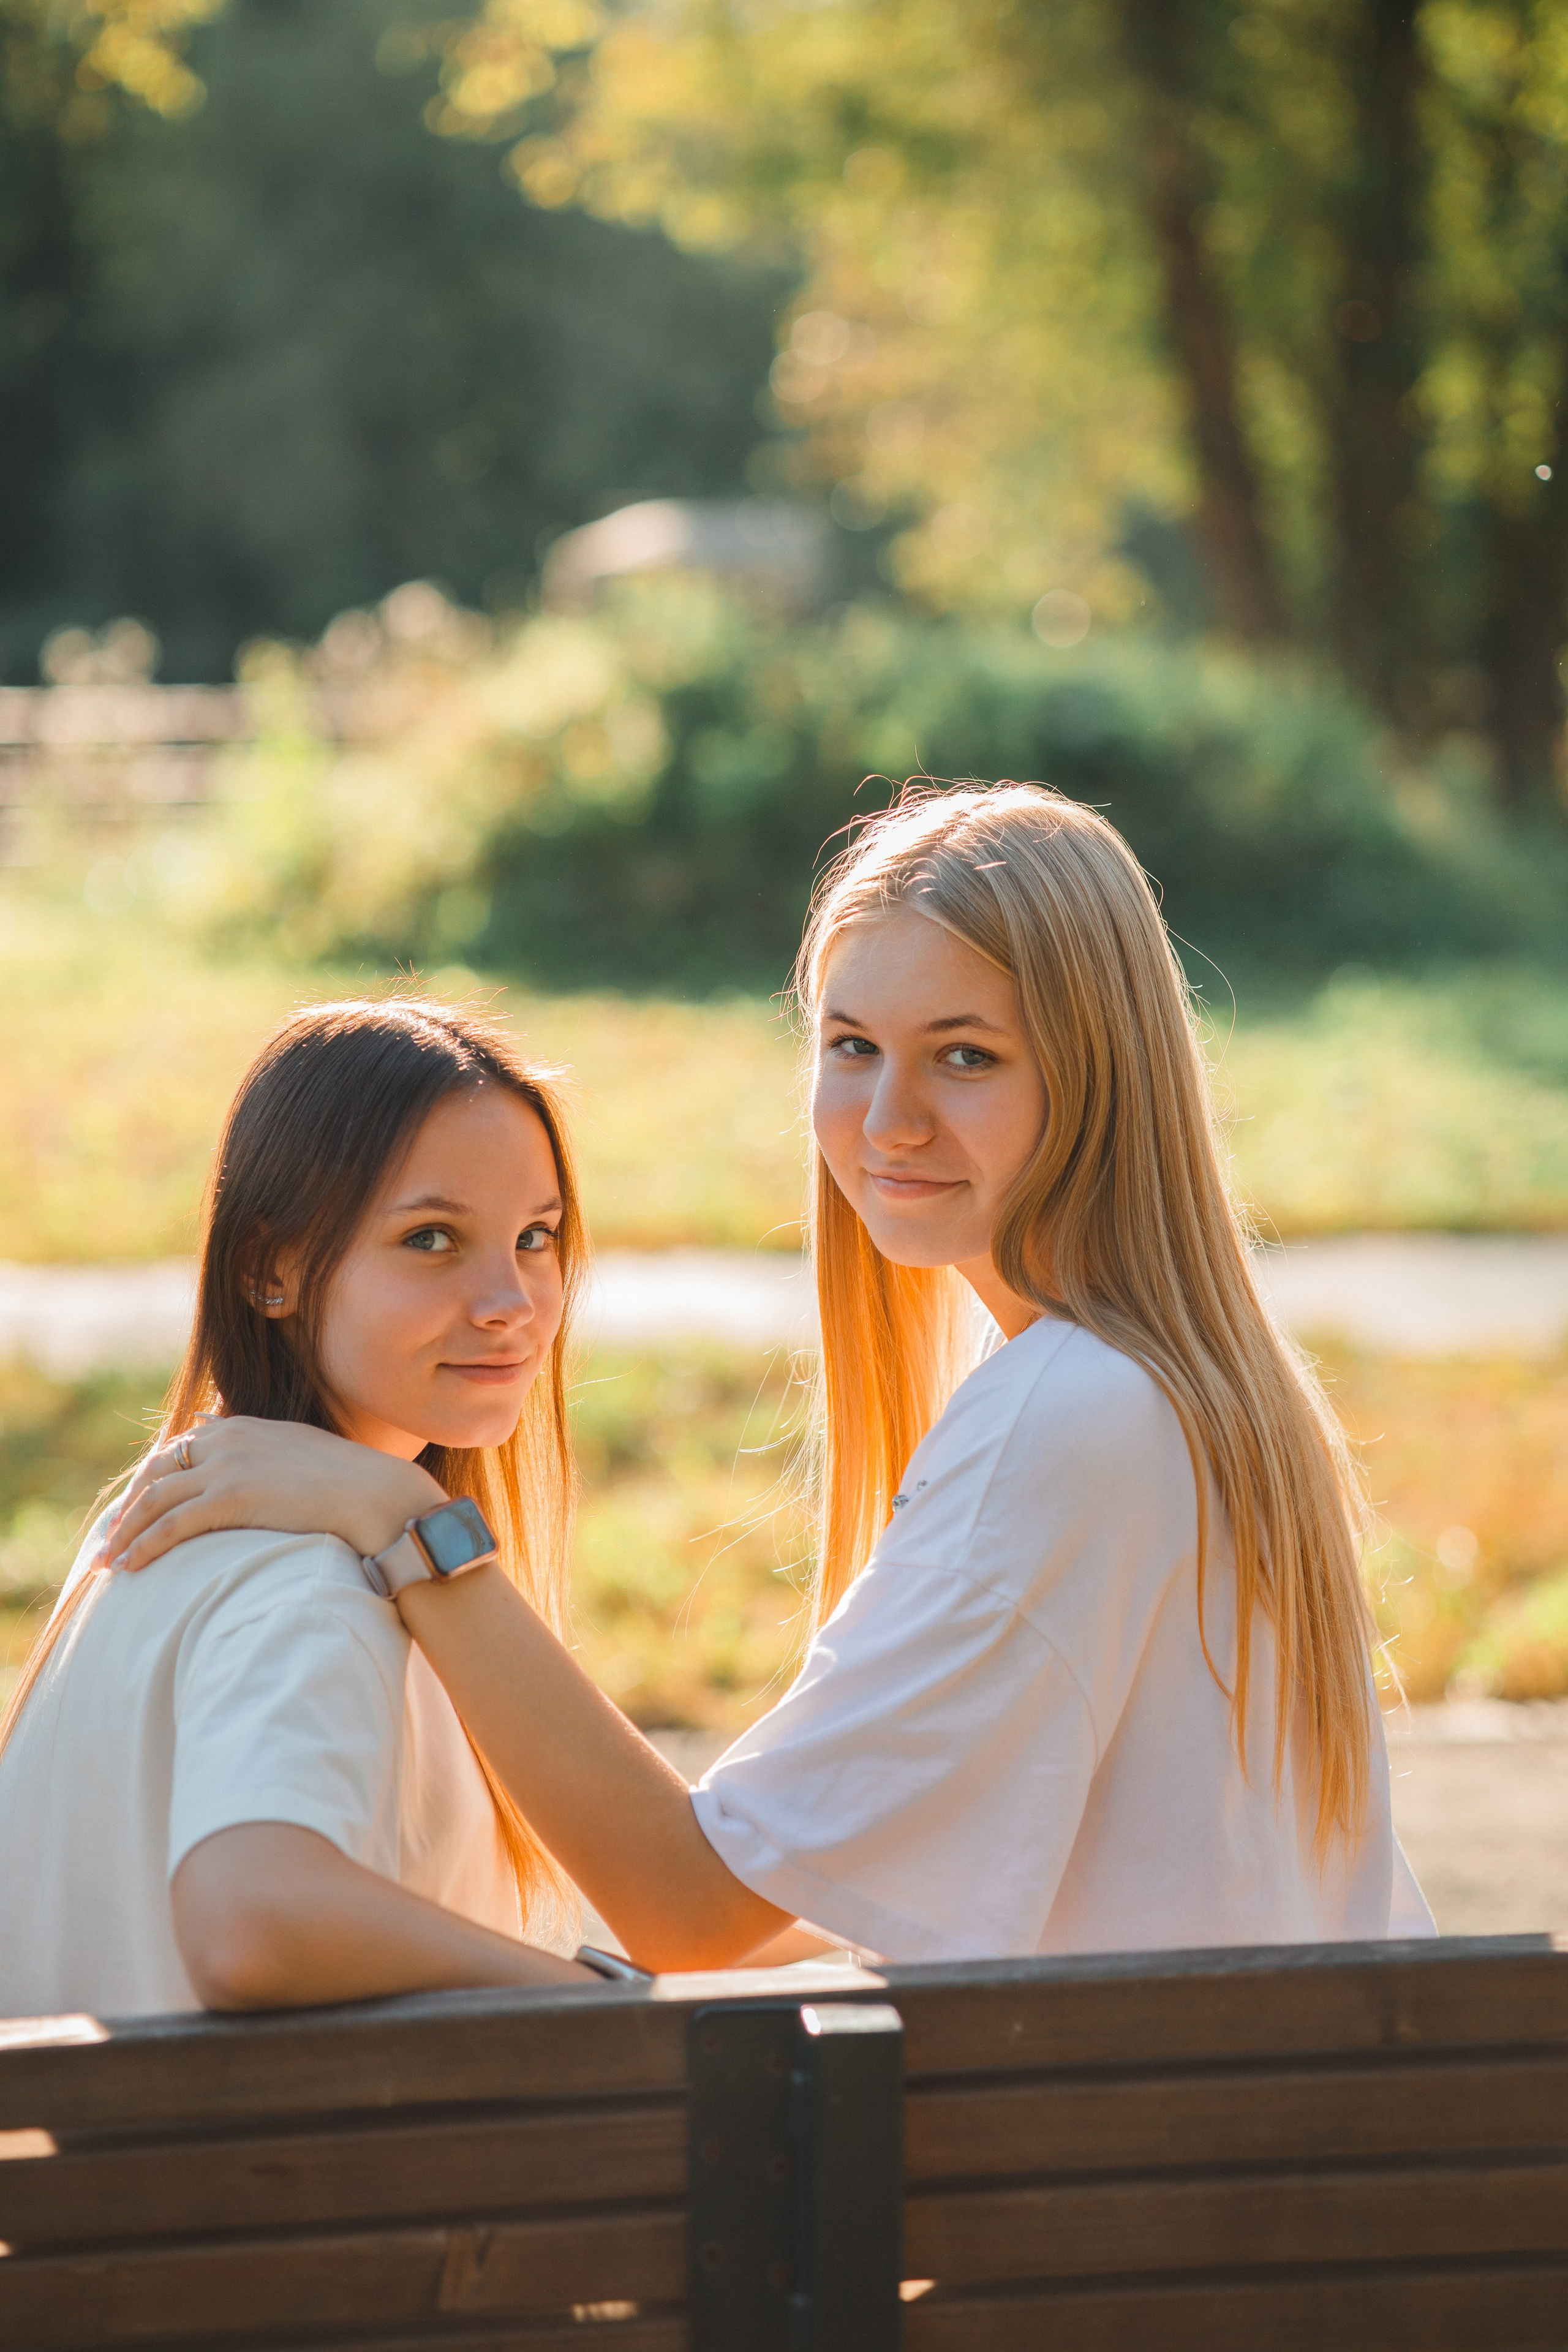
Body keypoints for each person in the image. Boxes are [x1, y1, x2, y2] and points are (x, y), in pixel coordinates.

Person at [105, 786, 1433, 1970]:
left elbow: (688, 1908)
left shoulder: (1073, 1413)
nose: (886, 1118)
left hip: (1139, 2222)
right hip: (1270, 2202)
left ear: (1099, 1081)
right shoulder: (1186, 1392)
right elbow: (840, 1902)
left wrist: (407, 1524)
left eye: (964, 1055)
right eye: (851, 1046)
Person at [0, 998, 606, 2016]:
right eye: (431, 1239)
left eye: (536, 1237)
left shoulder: (153, 1520)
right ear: (270, 1271)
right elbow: (255, 1920)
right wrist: (592, 2003)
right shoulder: (309, 1589)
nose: (511, 1301)